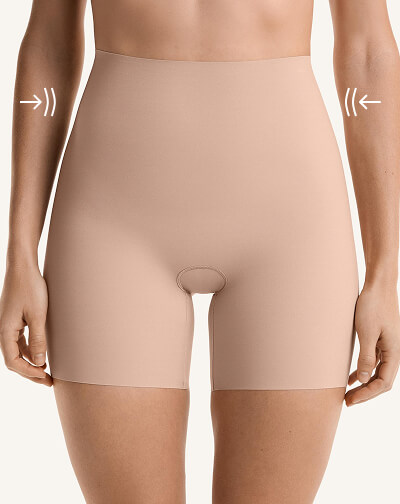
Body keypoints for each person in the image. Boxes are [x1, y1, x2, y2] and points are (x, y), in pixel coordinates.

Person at [1, 1, 399, 502]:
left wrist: (385, 272)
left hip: (292, 231)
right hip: (110, 224)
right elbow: (48, 42)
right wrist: (20, 251)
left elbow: (367, 52)